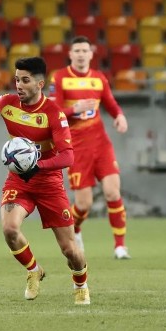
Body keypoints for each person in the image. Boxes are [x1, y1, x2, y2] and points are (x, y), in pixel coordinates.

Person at [0, 56, 91, 305]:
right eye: (17, 79)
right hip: (19, 181)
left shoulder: (53, 113)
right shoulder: (8, 104)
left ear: (40, 84)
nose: (18, 84)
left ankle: (80, 284)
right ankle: (33, 271)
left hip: (49, 182)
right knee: (9, 229)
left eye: (25, 80)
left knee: (70, 250)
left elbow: (68, 157)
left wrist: (38, 165)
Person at [48, 36, 131, 259]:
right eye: (77, 50)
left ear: (91, 54)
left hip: (101, 143)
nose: (82, 54)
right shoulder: (60, 78)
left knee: (113, 191)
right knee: (84, 203)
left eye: (85, 50)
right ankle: (75, 228)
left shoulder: (98, 78)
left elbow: (110, 102)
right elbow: (52, 114)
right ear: (71, 54)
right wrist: (74, 108)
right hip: (76, 147)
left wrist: (119, 115)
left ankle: (120, 246)